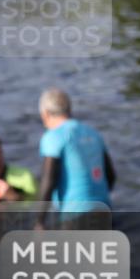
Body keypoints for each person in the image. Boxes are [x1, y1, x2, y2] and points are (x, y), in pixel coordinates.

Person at [36, 88, 116, 224]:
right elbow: (111, 176)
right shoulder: (93, 133)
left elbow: (48, 181)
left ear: (45, 114)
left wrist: (39, 221)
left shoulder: (53, 136)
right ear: (69, 110)